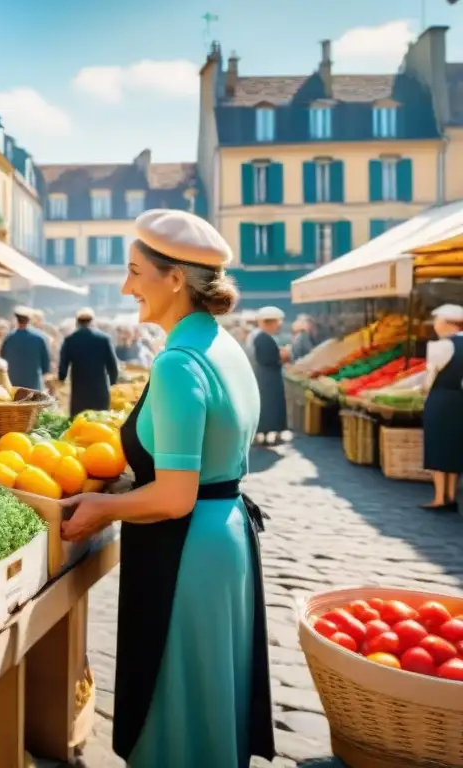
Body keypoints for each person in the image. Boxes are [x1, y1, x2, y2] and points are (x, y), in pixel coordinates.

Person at [60, 209, 274, 768]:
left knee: (175, 714)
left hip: (186, 548)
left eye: (135, 272)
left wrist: (102, 506)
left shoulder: (179, 362)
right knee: (210, 705)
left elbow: (174, 495)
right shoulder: (225, 346)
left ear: (175, 278)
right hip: (224, 538)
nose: (126, 285)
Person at [421, 303, 463, 511]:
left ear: (449, 324)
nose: (435, 326)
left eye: (437, 322)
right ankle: (452, 496)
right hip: (458, 399)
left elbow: (430, 377)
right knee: (454, 447)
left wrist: (423, 391)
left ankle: (439, 498)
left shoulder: (440, 346)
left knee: (437, 446)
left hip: (439, 399)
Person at [58, 308, 118, 417]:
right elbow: (112, 365)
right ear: (93, 321)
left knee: (79, 421)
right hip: (99, 389)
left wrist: (61, 378)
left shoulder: (70, 340)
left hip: (79, 391)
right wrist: (113, 382)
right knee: (100, 420)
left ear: (77, 322)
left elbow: (63, 367)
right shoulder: (104, 339)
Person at [249, 307, 290, 444]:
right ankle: (265, 433)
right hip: (268, 379)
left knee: (267, 406)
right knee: (270, 406)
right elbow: (268, 358)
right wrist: (282, 356)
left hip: (264, 377)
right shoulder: (263, 338)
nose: (278, 327)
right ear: (269, 323)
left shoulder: (259, 336)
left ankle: (264, 433)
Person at [0, 306, 51, 391]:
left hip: (13, 385)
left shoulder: (8, 338)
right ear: (29, 319)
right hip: (33, 386)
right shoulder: (40, 338)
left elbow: (2, 360)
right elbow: (45, 366)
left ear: (17, 319)